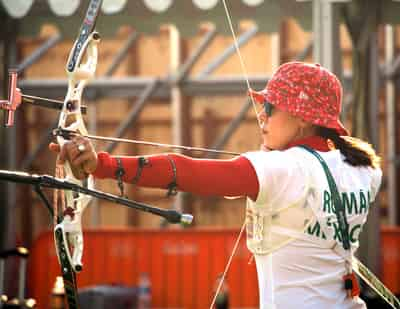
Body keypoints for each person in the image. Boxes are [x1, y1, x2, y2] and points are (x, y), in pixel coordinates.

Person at [50, 62, 382, 308]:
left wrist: (103, 165)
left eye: (269, 107)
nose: (261, 115)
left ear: (302, 117)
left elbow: (187, 171)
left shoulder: (282, 169)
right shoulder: (366, 170)